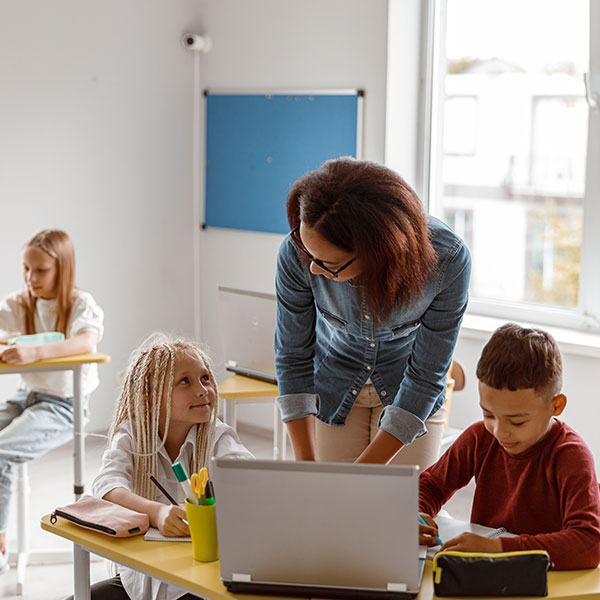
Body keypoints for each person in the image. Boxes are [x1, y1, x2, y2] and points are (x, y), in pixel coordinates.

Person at [275, 158, 471, 467]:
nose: (313, 267)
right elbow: (292, 356)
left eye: (329, 264)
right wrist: (306, 465)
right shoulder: (297, 252)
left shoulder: (447, 260)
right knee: (335, 507)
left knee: (400, 505)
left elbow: (426, 376)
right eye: (308, 253)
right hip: (334, 384)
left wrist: (363, 476)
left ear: (378, 252)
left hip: (409, 390)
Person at [85, 333, 254, 600]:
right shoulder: (132, 434)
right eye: (185, 382)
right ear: (152, 401)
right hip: (141, 580)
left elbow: (250, 479)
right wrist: (158, 514)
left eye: (205, 378)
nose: (202, 390)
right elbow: (107, 487)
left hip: (200, 584)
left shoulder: (218, 436)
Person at [418, 324, 600, 570]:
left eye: (517, 421)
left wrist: (497, 548)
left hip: (547, 583)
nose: (500, 431)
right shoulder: (480, 437)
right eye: (488, 414)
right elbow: (430, 486)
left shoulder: (571, 455)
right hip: (485, 576)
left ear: (555, 406)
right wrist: (415, 515)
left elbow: (588, 543)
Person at [0, 229, 104, 575]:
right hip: (25, 398)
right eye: (26, 269)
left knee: (1, 451)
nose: (31, 278)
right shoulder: (19, 303)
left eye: (40, 270)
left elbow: (86, 342)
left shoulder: (79, 305)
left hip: (64, 405)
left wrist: (34, 352)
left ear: (63, 269)